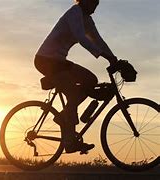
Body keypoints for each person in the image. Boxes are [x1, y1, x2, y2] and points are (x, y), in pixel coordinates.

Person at [34, 0, 117, 153]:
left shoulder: (87, 20)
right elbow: (82, 38)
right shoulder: (74, 13)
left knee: (91, 80)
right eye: (94, 3)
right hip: (45, 60)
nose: (95, 8)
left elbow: (98, 41)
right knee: (72, 93)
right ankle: (70, 141)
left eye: (97, 4)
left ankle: (64, 115)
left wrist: (114, 58)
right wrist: (105, 56)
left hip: (59, 61)